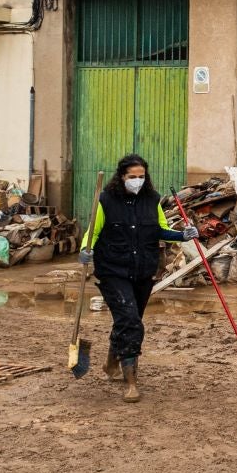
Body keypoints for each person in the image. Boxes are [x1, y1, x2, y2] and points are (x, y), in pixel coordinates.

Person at [79, 154, 197, 403]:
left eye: (141, 177)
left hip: (143, 270)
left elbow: (160, 229)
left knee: (128, 319)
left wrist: (183, 235)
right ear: (122, 177)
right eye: (132, 177)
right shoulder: (106, 200)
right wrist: (84, 249)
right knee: (131, 321)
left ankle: (112, 361)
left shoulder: (152, 200)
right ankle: (131, 381)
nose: (137, 181)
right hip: (113, 270)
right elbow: (93, 230)